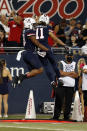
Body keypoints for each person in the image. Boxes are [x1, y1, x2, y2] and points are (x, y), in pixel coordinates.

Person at [13, 17, 49, 87]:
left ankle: (20, 77)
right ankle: (22, 76)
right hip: (30, 53)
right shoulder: (29, 31)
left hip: (26, 53)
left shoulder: (25, 31)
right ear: (29, 24)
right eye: (33, 24)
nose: (35, 26)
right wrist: (47, 50)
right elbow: (36, 43)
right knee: (40, 69)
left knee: (34, 72)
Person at [35, 14, 68, 88]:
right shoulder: (47, 27)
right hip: (46, 47)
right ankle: (59, 79)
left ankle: (52, 81)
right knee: (53, 63)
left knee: (46, 66)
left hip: (39, 49)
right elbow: (54, 38)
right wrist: (64, 45)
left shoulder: (34, 27)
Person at [52, 51, 78, 120]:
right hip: (61, 85)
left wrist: (65, 73)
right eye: (68, 55)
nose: (69, 56)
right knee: (59, 101)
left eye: (70, 55)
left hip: (71, 86)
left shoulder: (75, 63)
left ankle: (66, 117)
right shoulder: (61, 63)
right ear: (65, 56)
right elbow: (60, 73)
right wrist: (71, 73)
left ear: (72, 56)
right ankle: (56, 116)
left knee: (68, 102)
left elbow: (76, 75)